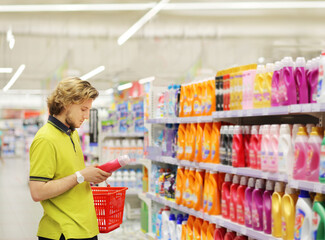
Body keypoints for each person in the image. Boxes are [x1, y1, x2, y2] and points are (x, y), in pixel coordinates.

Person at [29, 77, 111, 240]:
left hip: (83, 227)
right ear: (66, 103)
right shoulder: (45, 139)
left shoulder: (71, 132)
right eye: (83, 109)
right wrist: (81, 176)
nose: (87, 116)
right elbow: (37, 192)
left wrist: (90, 174)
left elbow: (70, 174)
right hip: (63, 232)